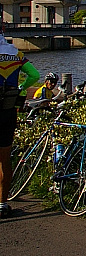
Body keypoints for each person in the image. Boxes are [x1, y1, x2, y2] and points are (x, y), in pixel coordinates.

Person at [0, 25, 40, 218]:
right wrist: (22, 88)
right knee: (4, 159)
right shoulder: (16, 54)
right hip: (8, 111)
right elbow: (35, 75)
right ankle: (2, 203)